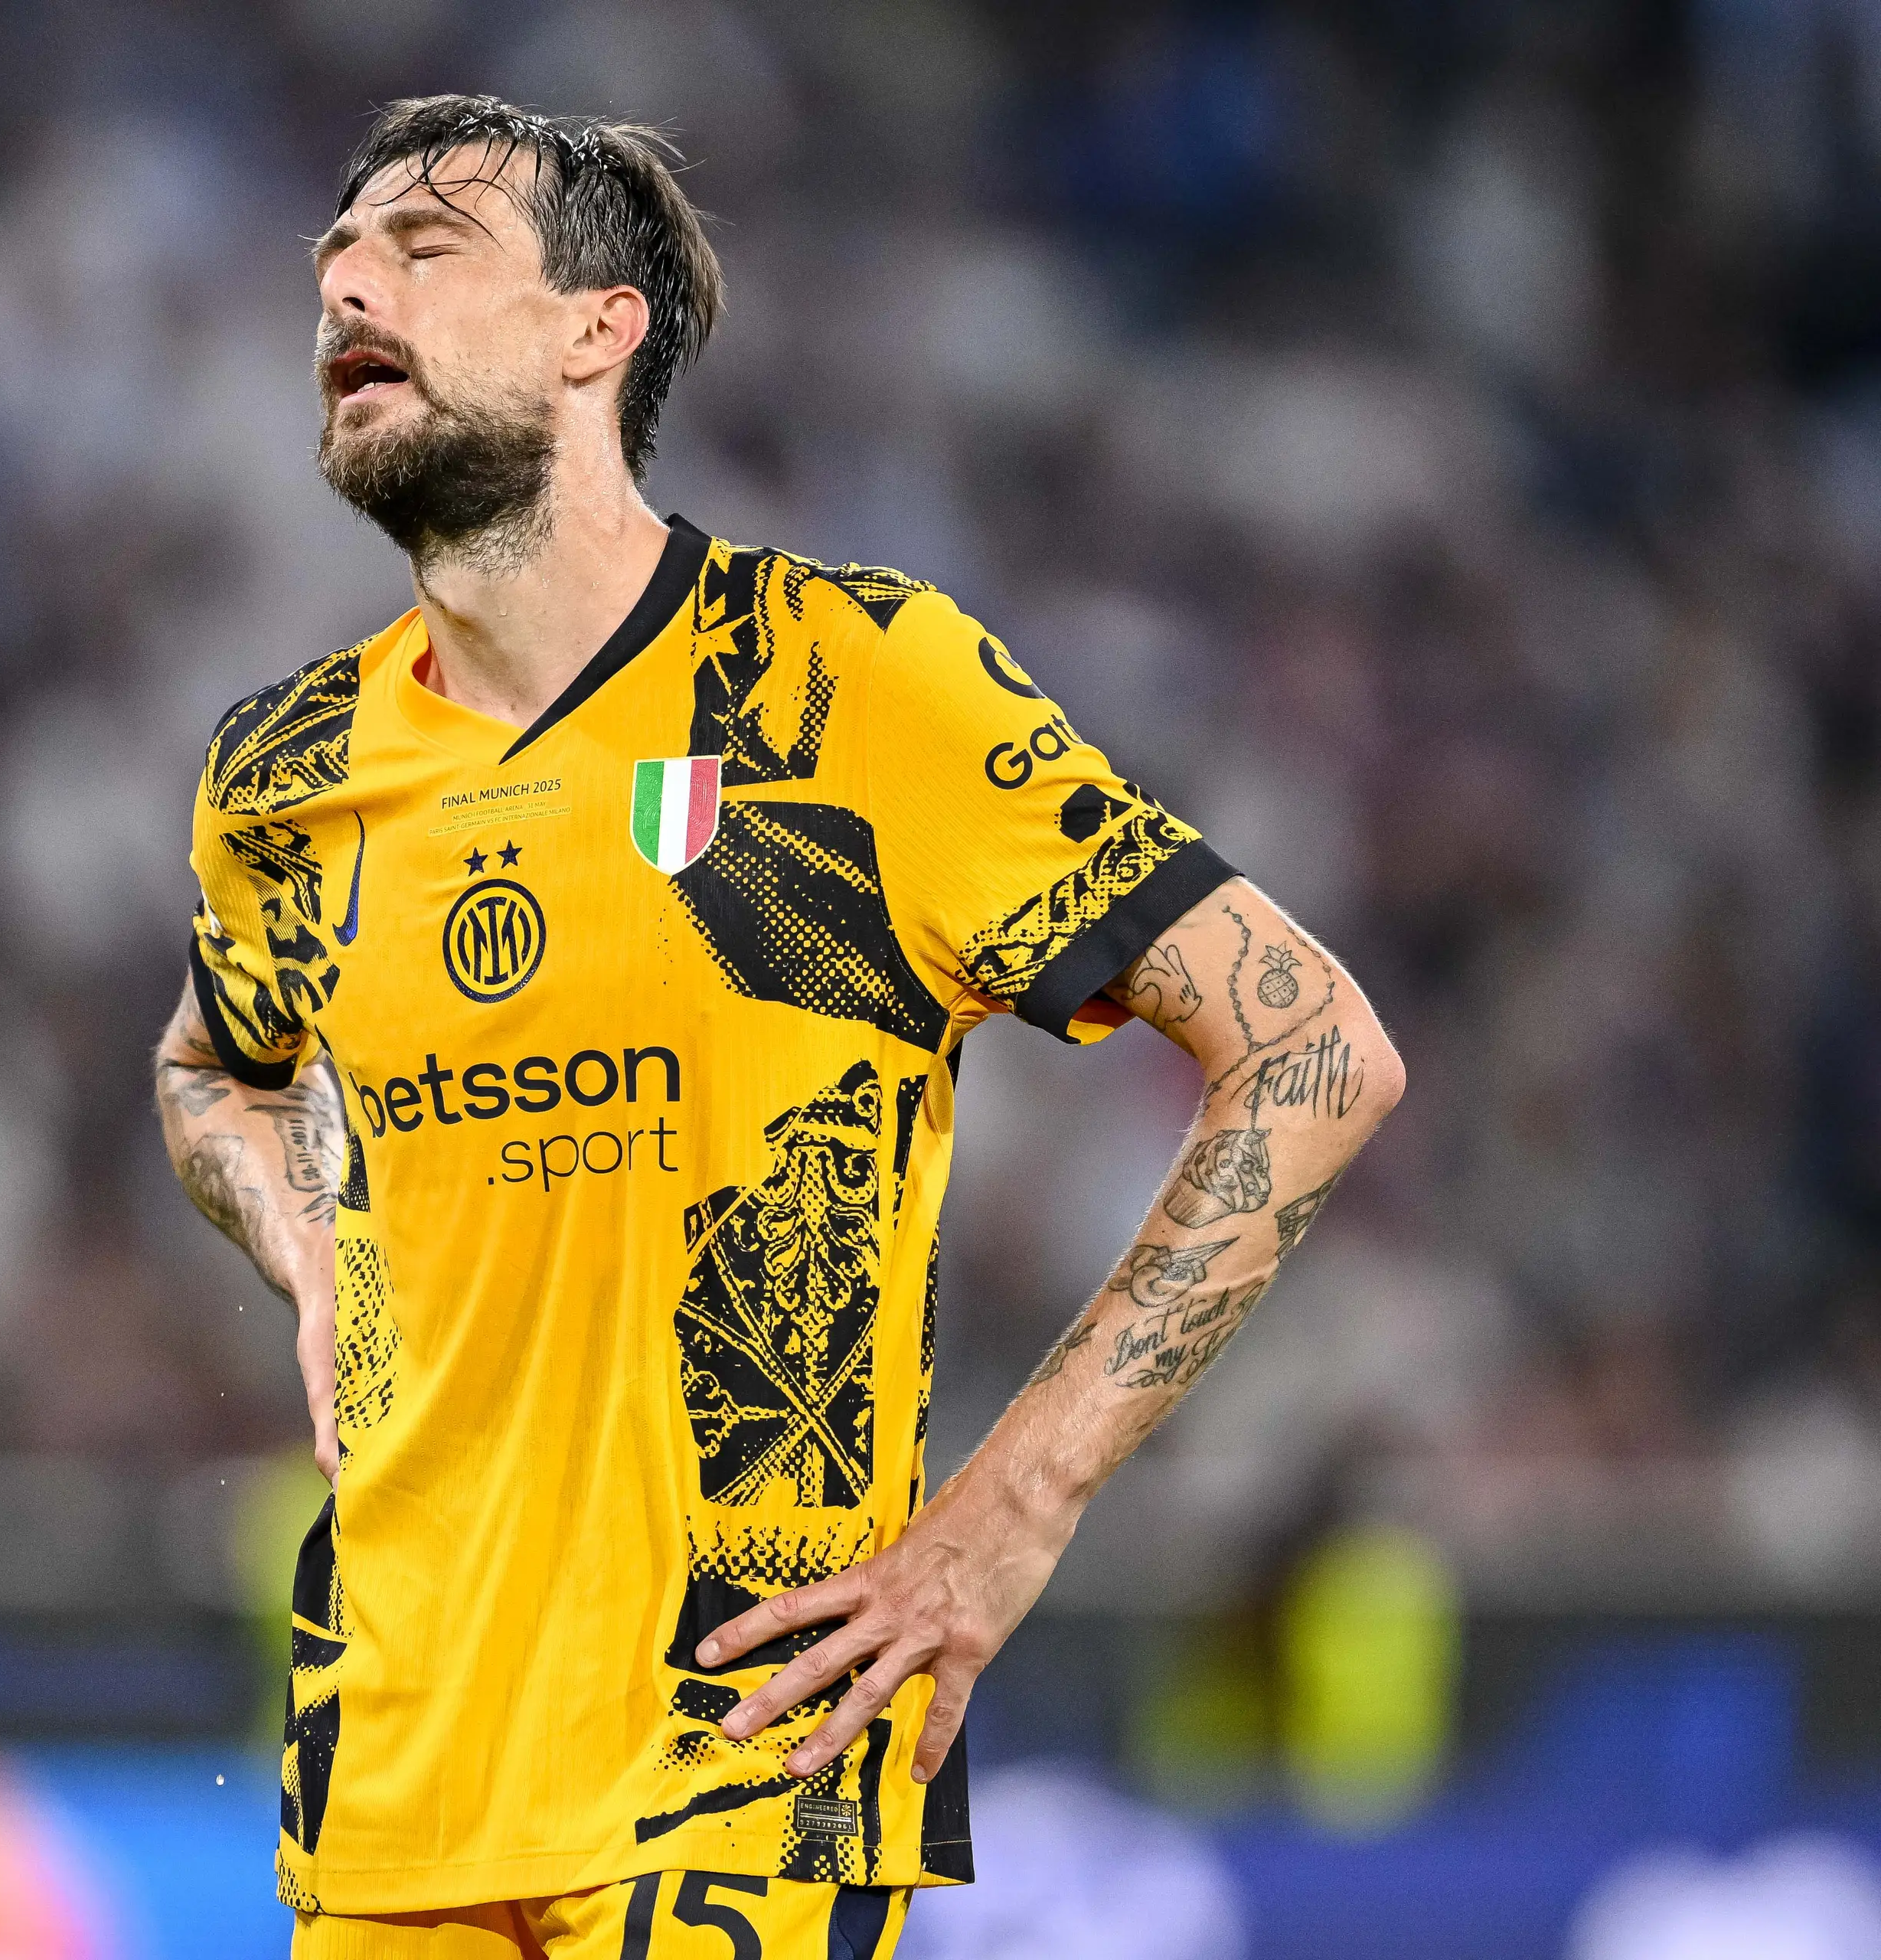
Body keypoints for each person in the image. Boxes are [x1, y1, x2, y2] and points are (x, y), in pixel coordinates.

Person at [153, 93, 1403, 1958]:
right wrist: (310, 1248)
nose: (347, 284)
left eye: (425, 248)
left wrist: (1016, 1506)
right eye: (336, 255)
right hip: (393, 1775)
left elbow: (1313, 1050)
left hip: (743, 1758)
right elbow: (210, 1068)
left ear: (598, 331)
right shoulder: (287, 773)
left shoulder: (843, 681)